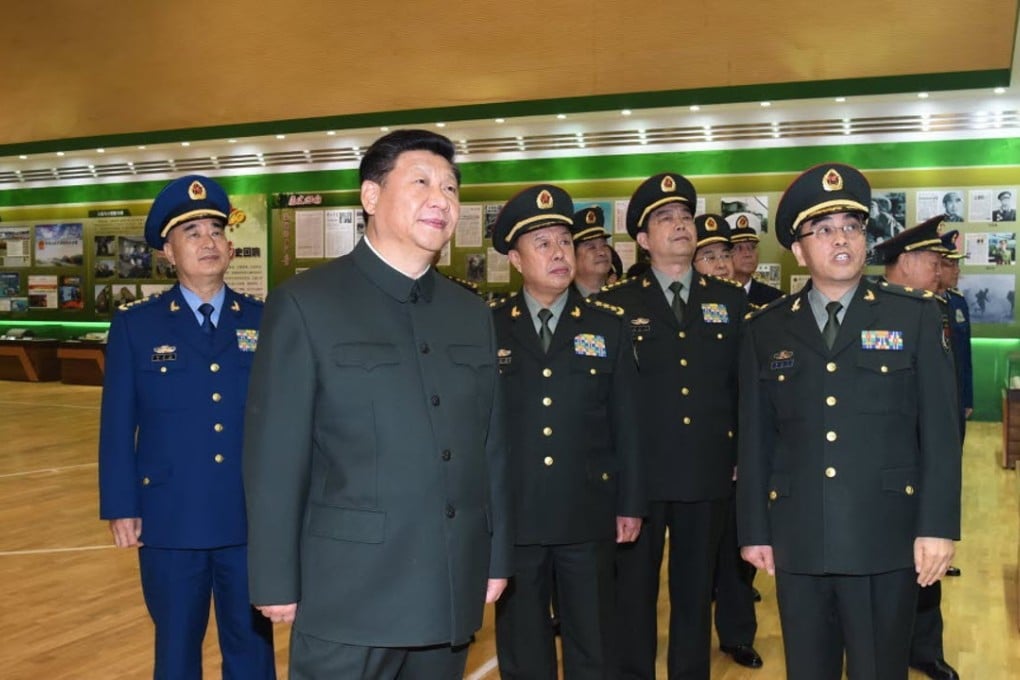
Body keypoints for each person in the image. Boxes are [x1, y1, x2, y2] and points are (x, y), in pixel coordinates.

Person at [242, 129, 512, 679]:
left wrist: (496, 554)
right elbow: (275, 456)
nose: (441, 199)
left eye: (451, 188)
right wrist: (274, 579)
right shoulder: (306, 304)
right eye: (421, 182)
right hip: (348, 595)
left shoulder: (470, 312)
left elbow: (492, 447)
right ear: (370, 197)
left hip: (448, 585)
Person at [738, 163, 962, 680]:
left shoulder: (915, 316)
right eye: (824, 229)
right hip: (798, 537)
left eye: (852, 227)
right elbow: (756, 439)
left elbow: (940, 434)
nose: (841, 238)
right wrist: (753, 528)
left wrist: (937, 526)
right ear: (798, 250)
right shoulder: (766, 330)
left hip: (885, 535)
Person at [98, 174, 275, 679]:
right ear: (168, 253)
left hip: (248, 517)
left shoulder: (265, 320)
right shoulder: (138, 325)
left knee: (252, 648)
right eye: (192, 232)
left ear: (231, 246)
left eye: (215, 230)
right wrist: (122, 504)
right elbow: (117, 422)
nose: (207, 241)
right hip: (170, 517)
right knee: (176, 648)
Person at [490, 184, 645, 679]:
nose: (559, 253)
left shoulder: (608, 326)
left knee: (593, 639)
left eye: (564, 241)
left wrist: (630, 502)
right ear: (515, 259)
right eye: (543, 244)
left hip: (588, 511)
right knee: (522, 642)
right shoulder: (488, 328)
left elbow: (628, 422)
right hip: (517, 513)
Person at [600, 173, 748, 679]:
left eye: (685, 217)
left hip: (707, 472)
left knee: (694, 593)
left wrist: (739, 457)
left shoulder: (729, 300)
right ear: (642, 240)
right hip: (640, 476)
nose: (681, 226)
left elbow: (740, 389)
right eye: (665, 219)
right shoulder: (616, 305)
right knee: (633, 594)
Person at [692, 213, 763, 669]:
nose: (720, 264)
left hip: (738, 451)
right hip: (693, 454)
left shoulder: (752, 313)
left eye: (724, 254)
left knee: (737, 551)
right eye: (709, 256)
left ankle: (737, 633)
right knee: (694, 562)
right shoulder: (679, 314)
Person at [728, 216, 784, 307]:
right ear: (726, 255)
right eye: (738, 248)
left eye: (752, 247)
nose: (747, 254)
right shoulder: (714, 296)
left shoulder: (775, 299)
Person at [571, 205, 614, 297]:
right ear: (572, 256)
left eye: (604, 245)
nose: (602, 252)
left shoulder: (624, 299)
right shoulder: (561, 303)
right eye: (591, 247)